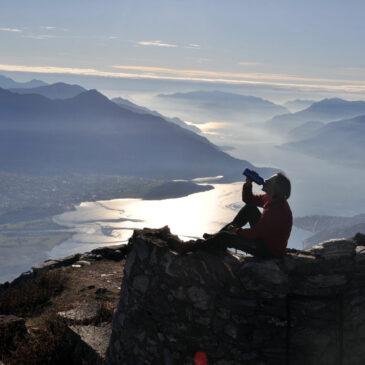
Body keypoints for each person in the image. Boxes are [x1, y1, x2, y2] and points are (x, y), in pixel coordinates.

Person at [182, 172, 293, 258]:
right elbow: (248, 200)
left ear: (276, 188)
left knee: (224, 237)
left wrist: (236, 231)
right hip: (266, 239)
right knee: (250, 208)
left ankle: (189, 248)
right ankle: (216, 238)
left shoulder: (277, 208)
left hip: (268, 250)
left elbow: (255, 233)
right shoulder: (272, 198)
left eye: (271, 181)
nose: (267, 180)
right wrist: (248, 183)